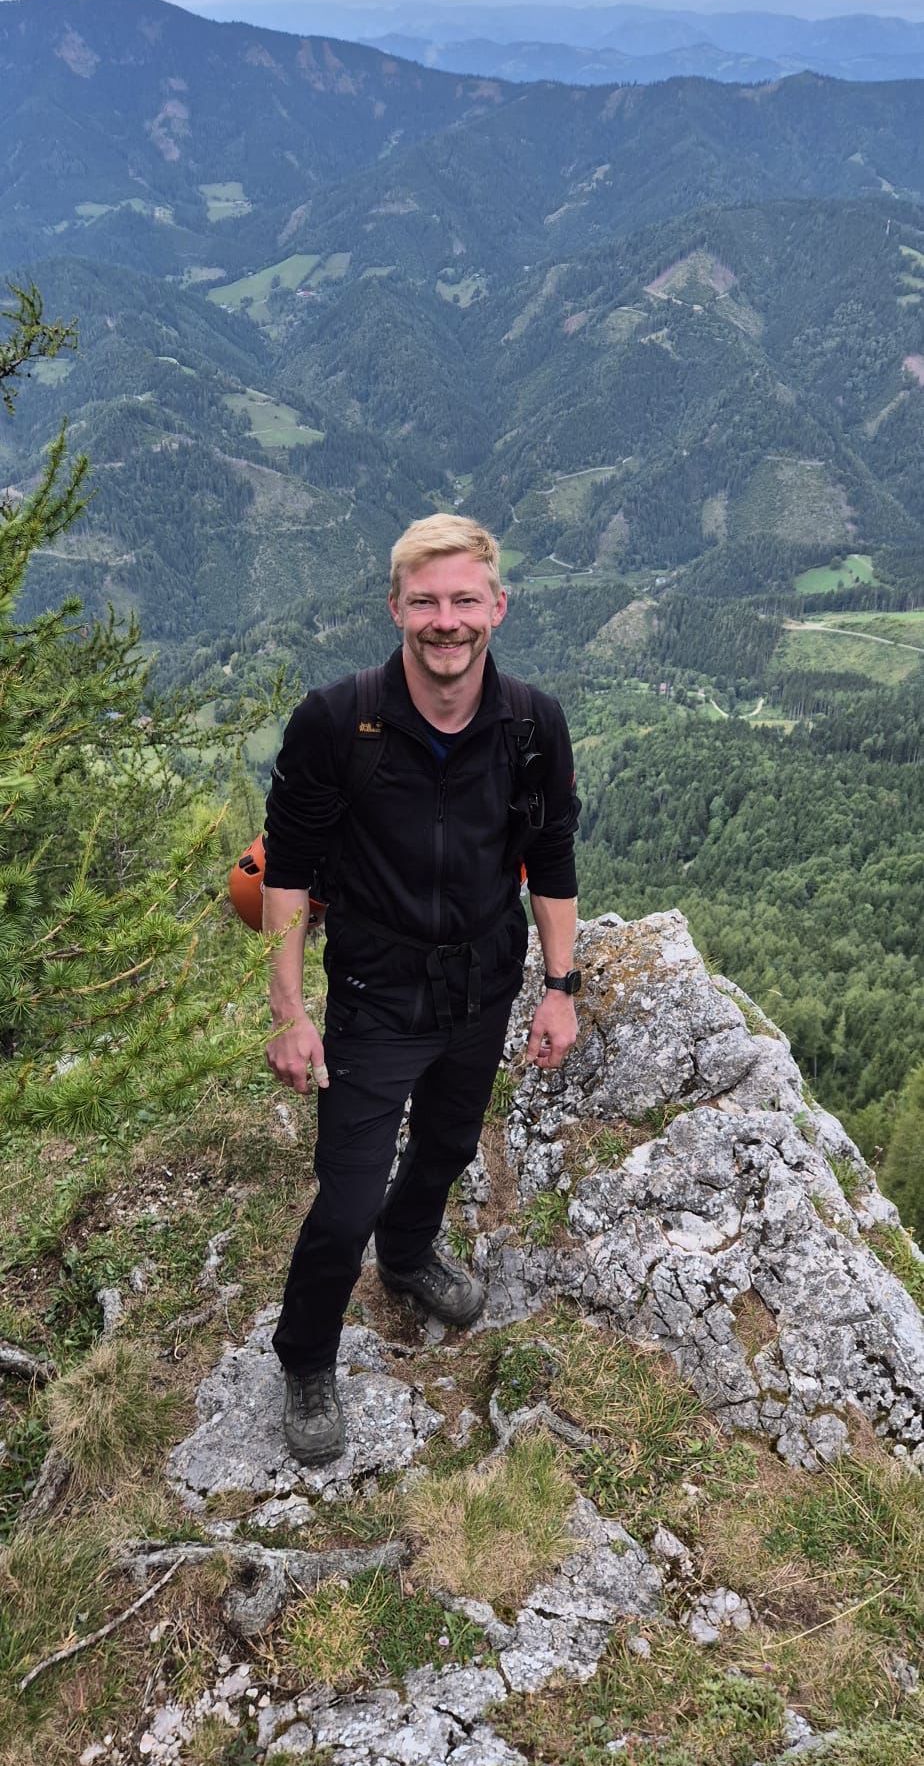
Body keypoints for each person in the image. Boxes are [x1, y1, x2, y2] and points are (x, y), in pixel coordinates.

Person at [263, 513, 581, 1465]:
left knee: (445, 1146)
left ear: (499, 607)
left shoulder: (532, 726)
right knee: (346, 1198)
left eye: (465, 601)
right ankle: (306, 1356)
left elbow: (550, 858)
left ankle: (407, 1256)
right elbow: (287, 872)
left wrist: (559, 986)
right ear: (395, 607)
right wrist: (290, 1012)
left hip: (483, 985)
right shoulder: (337, 723)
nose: (448, 622)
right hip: (376, 991)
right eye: (427, 602)